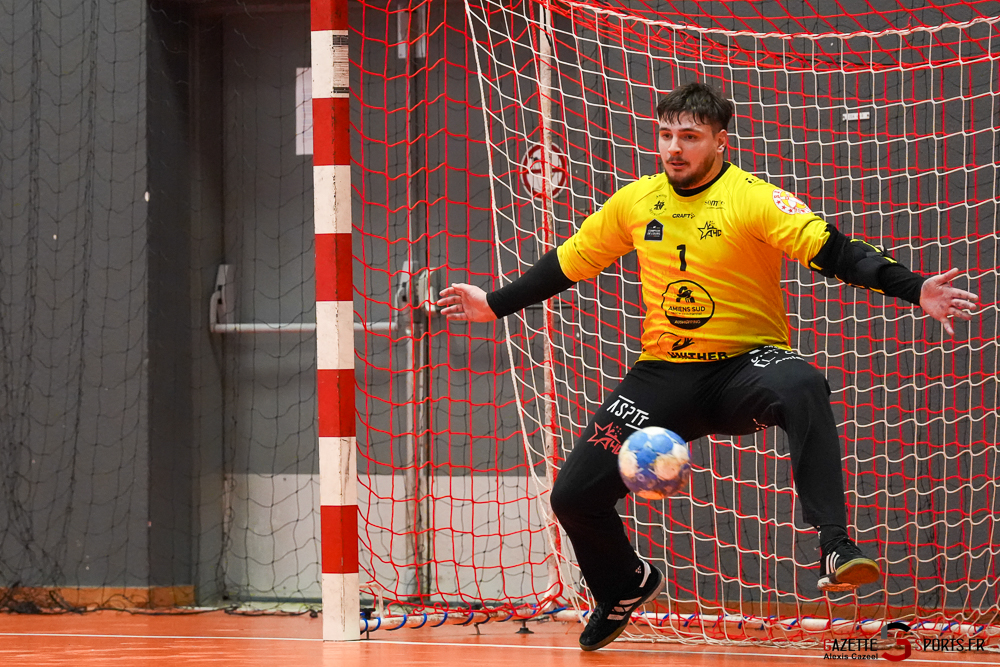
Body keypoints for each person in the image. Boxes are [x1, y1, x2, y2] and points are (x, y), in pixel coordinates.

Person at [437, 82, 979, 652]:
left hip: (744, 370)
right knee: (572, 497)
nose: (675, 148)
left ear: (720, 141)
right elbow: (569, 262)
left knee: (801, 382)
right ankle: (623, 583)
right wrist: (493, 304)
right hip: (664, 376)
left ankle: (835, 544)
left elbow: (838, 253)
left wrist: (917, 289)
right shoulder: (636, 202)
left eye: (690, 137)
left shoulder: (754, 199)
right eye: (666, 135)